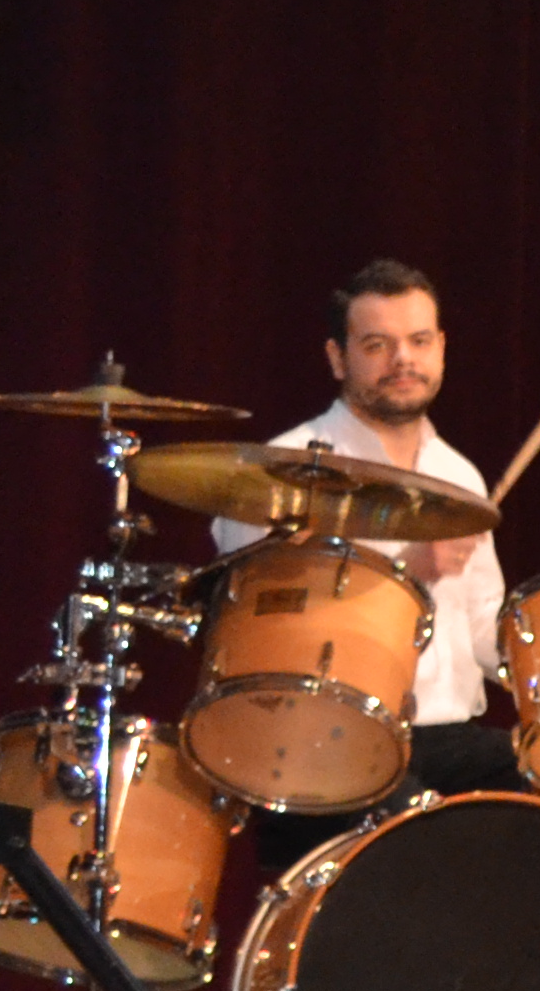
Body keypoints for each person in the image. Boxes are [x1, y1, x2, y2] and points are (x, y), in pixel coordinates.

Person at [214, 259, 516, 803]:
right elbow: (266, 621)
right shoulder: (283, 472)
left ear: (441, 348)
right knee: (419, 826)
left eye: (419, 341)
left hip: (449, 736)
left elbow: (482, 625)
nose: (404, 359)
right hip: (321, 736)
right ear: (338, 358)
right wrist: (404, 572)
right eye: (378, 345)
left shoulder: (458, 476)